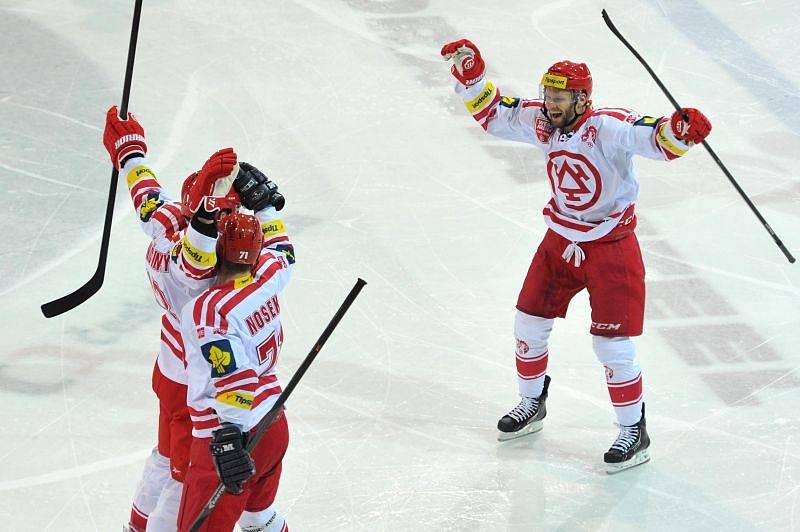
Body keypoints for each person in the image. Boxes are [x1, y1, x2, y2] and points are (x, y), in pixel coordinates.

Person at [440, 39, 711, 473]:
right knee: (527, 321)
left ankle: (633, 430)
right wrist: (472, 77)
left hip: (610, 246)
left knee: (611, 346)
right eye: (547, 93)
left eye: (560, 96)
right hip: (560, 239)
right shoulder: (544, 121)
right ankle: (532, 404)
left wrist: (678, 130)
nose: (550, 103)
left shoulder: (606, 126)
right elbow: (496, 116)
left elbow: (653, 138)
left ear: (583, 98)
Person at [104, 107, 290, 530]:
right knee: (184, 480)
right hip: (203, 387)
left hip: (170, 371)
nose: (229, 218)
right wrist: (262, 210)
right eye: (222, 214)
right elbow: (201, 259)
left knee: (164, 458)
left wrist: (130, 153)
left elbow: (147, 197)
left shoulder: (168, 220)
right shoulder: (206, 286)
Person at [176, 185, 294, 529]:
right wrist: (266, 209)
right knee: (259, 519)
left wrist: (229, 438)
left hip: (233, 436)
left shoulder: (209, 310)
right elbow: (283, 252)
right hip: (272, 424)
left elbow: (235, 377)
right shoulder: (267, 278)